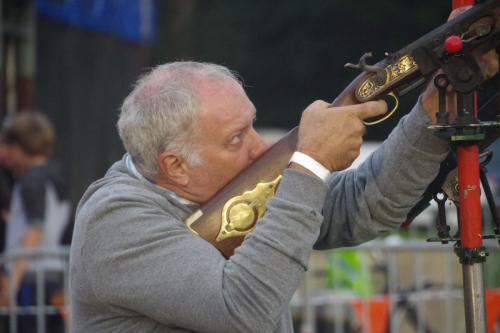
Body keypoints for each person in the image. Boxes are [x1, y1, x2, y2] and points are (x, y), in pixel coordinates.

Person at [70, 13, 498, 333]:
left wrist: (430, 106)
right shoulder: (116, 220)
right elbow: (244, 309)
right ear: (174, 166)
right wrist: (309, 164)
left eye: (251, 124)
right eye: (236, 138)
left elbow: (365, 207)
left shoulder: (229, 187)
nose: (261, 147)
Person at [0, 112, 70, 333]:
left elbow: (35, 229)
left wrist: (11, 283)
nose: (6, 153)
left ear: (21, 147)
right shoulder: (57, 177)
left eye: (9, 146)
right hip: (55, 277)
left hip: (32, 278)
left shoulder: (31, 180)